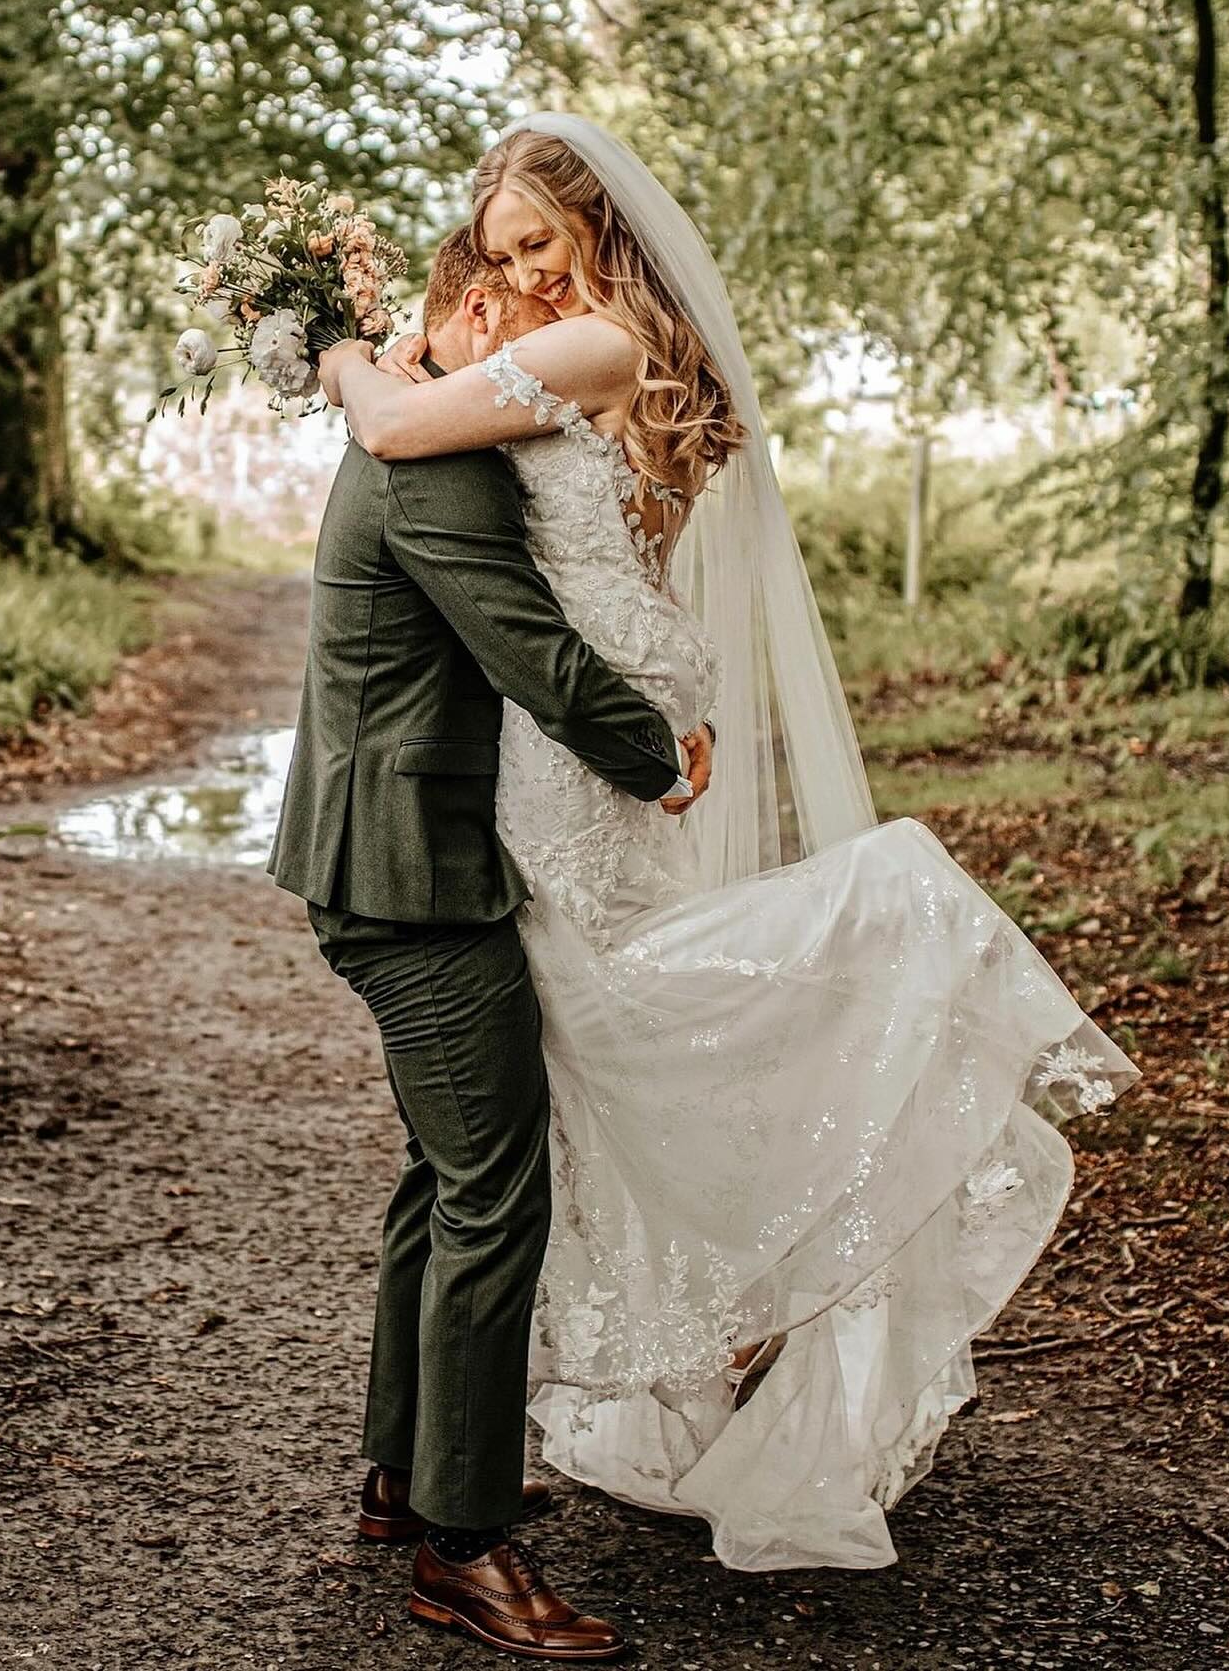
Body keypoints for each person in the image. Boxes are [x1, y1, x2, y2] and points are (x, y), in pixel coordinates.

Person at [317, 113, 1141, 1583]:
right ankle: (454, 1450)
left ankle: (577, 1383)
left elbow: (390, 422)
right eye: (499, 252)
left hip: (573, 755)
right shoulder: (595, 349)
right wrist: (428, 320)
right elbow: (467, 396)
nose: (518, 277)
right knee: (581, 1057)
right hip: (587, 748)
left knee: (611, 1034)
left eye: (541, 247)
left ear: (600, 236)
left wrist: (317, 334)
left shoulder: (595, 347)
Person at [267, 222, 714, 1662]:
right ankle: (466, 1552)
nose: (513, 336)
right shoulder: (434, 465)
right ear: (452, 310)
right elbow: (534, 651)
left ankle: (409, 1475)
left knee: (442, 1166)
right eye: (495, 309)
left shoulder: (417, 437)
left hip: (384, 855)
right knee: (495, 1186)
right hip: (410, 875)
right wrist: (661, 756)